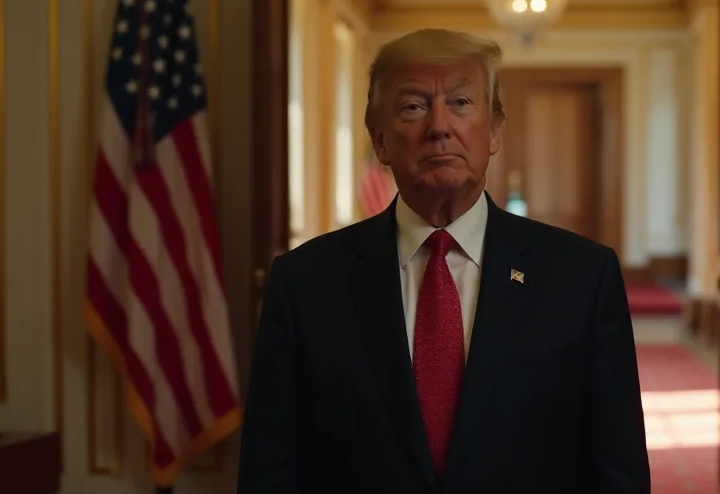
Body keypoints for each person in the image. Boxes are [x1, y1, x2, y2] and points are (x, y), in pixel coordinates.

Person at [237, 28, 650, 493]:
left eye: (460, 103)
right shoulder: (305, 284)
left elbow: (619, 472)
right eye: (413, 106)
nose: (439, 126)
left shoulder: (582, 278)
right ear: (380, 141)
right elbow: (270, 472)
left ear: (494, 132)